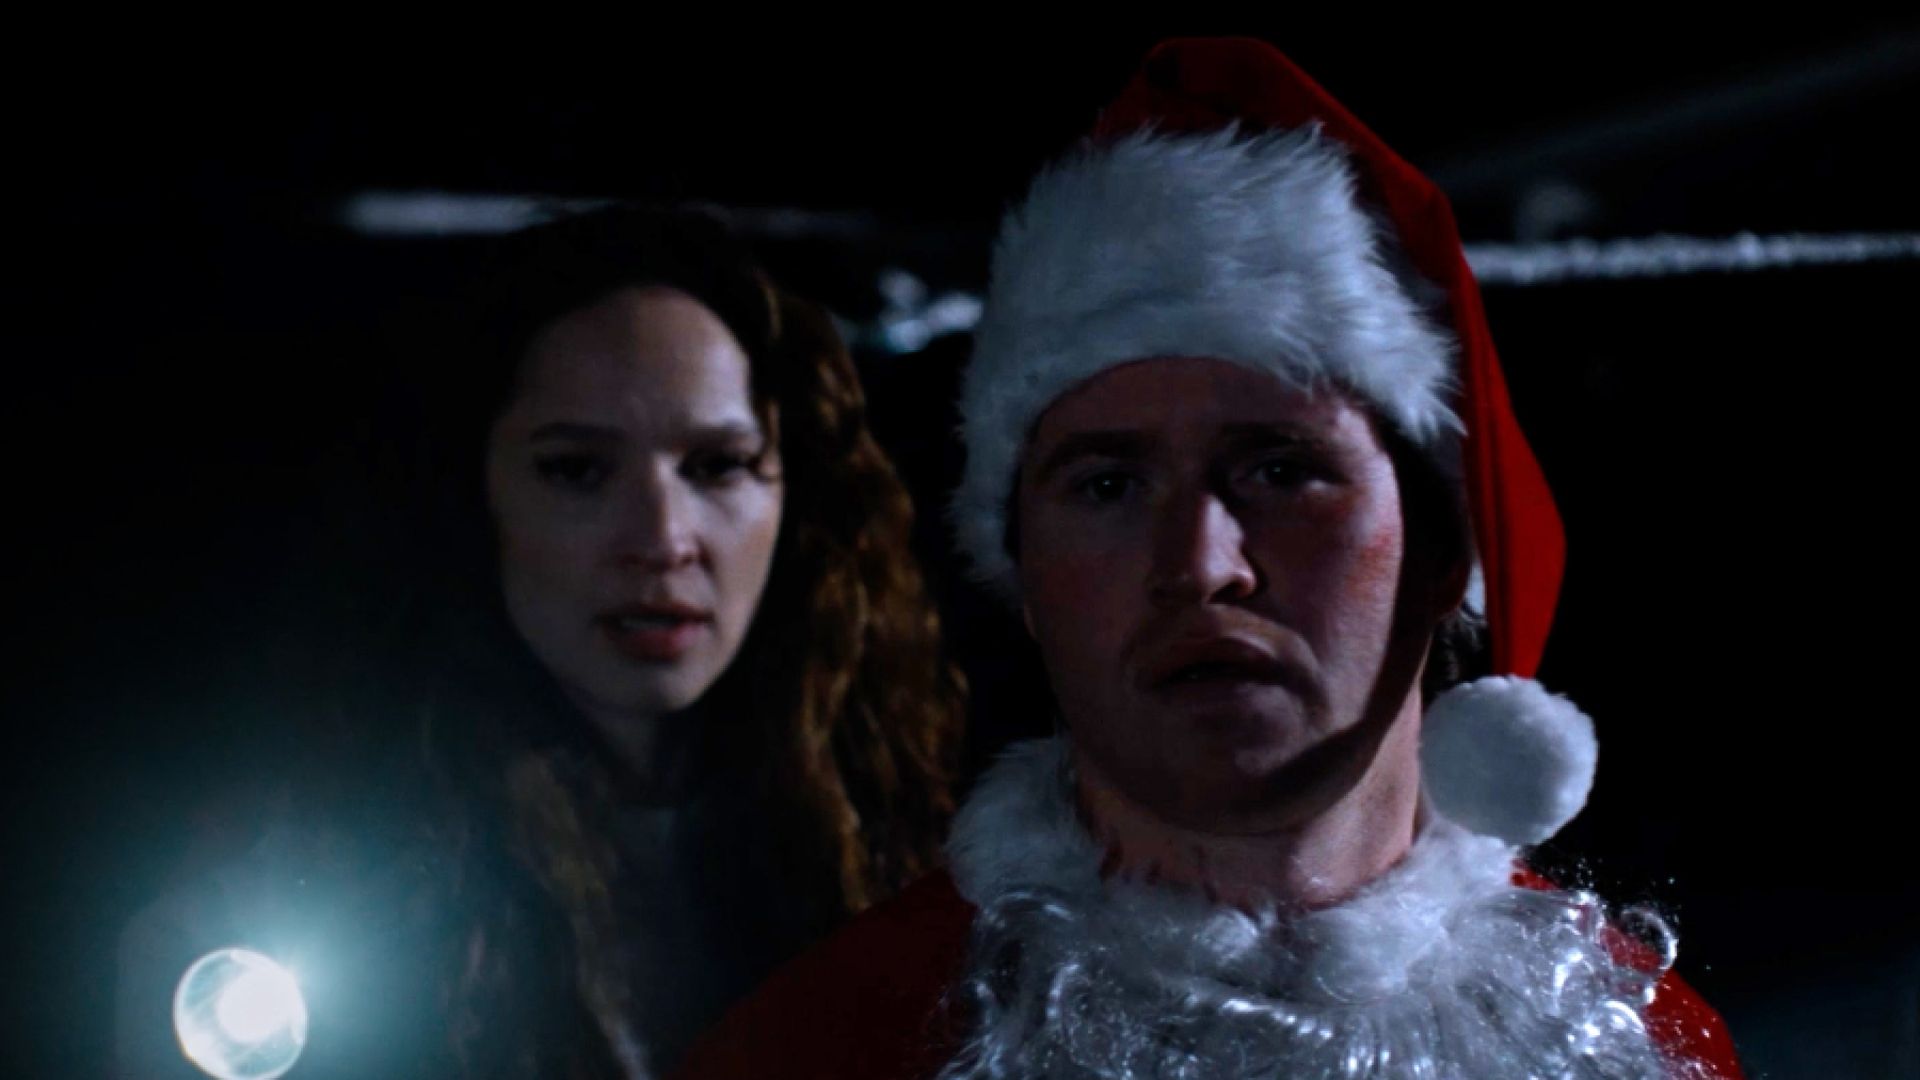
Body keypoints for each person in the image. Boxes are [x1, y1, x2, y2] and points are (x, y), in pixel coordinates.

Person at [674, 39, 1742, 1080]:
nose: (1199, 564)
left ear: (1444, 546)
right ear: (1025, 576)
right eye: (1108, 486)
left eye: (1281, 471)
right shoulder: (813, 1054)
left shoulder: (1646, 1048)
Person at [114, 207, 964, 1078]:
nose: (663, 538)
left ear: (795, 498)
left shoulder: (911, 854)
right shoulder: (289, 909)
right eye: (577, 470)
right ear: (473, 499)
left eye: (716, 466)